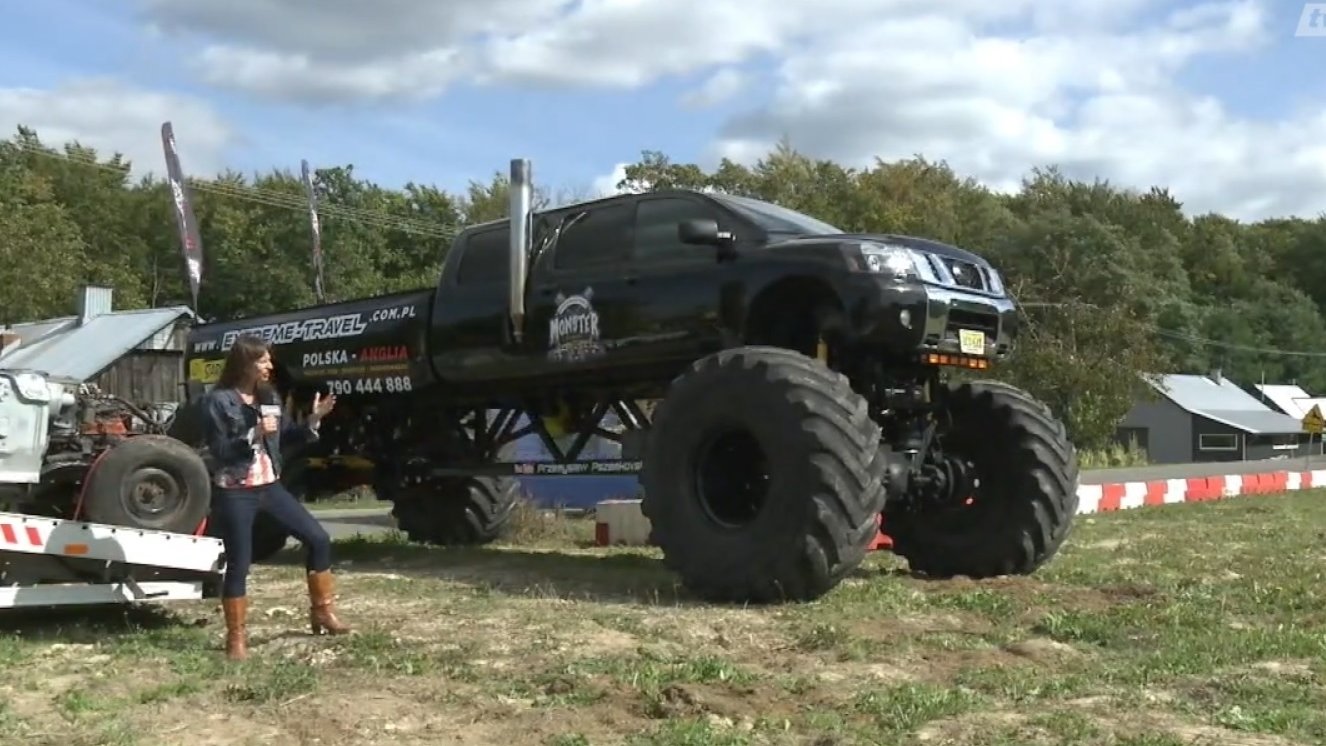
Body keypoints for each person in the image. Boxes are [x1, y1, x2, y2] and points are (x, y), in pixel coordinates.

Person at [201, 333, 351, 660]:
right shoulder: (219, 401)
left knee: (318, 539)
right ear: (246, 363)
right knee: (240, 564)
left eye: (269, 359)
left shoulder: (269, 396)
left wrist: (313, 420)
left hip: (269, 486)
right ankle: (236, 639)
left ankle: (322, 612)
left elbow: (283, 439)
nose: (270, 365)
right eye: (264, 360)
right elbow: (221, 451)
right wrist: (253, 433)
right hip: (236, 491)